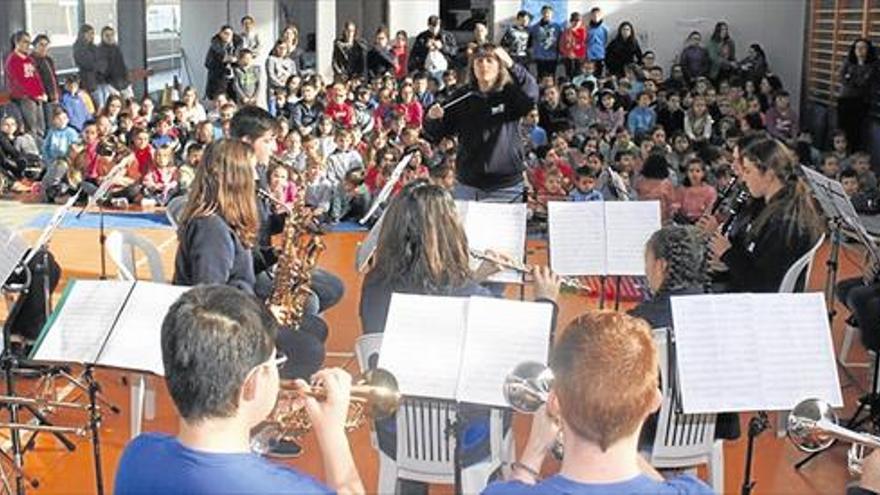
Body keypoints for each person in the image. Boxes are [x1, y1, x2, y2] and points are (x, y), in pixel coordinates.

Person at [113, 284, 364, 494]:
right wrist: (333, 434)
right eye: (275, 362)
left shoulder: (137, 453)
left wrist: (255, 418)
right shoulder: (291, 490)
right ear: (252, 383)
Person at [481, 311, 714, 495]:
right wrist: (616, 425)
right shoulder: (693, 491)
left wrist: (534, 451)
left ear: (554, 403)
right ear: (654, 402)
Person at [424, 44, 538, 202]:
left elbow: (531, 93)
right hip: (469, 186)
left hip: (506, 186)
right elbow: (437, 133)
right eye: (479, 61)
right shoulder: (462, 96)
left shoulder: (510, 94)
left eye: (490, 60)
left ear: (500, 66)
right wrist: (431, 119)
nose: (484, 65)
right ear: (473, 67)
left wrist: (512, 65)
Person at [708, 138, 822, 293]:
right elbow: (755, 260)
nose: (744, 177)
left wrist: (727, 254)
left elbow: (763, 285)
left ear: (769, 174)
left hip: (762, 303)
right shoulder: (775, 207)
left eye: (748, 170)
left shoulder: (783, 222)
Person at [5, 31, 47, 138]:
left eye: (29, 43)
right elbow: (18, 83)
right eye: (25, 42)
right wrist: (34, 95)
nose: (28, 45)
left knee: (41, 127)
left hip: (37, 98)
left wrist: (42, 92)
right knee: (32, 128)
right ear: (17, 42)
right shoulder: (12, 60)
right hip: (25, 99)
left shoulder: (29, 59)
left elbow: (36, 78)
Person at [838, 38, 876, 153]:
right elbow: (842, 77)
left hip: (861, 102)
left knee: (857, 133)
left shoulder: (872, 65)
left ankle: (854, 154)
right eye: (857, 47)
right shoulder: (848, 62)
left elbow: (863, 83)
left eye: (863, 47)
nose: (859, 50)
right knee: (842, 130)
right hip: (845, 101)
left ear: (868, 50)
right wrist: (851, 79)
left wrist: (851, 78)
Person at [95, 26, 131, 109]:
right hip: (110, 84)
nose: (110, 37)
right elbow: (101, 70)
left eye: (111, 35)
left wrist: (127, 81)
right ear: (102, 37)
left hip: (123, 83)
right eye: (107, 35)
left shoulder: (116, 48)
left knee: (129, 105)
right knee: (116, 107)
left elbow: (122, 66)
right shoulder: (99, 50)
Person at [204, 25, 240, 100]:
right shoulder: (215, 47)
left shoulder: (237, 46)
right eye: (225, 33)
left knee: (234, 102)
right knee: (219, 101)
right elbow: (207, 63)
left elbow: (242, 61)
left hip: (234, 79)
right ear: (221, 34)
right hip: (219, 80)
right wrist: (222, 60)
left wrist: (235, 61)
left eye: (230, 34)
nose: (228, 36)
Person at [530, 5, 562, 79]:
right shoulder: (535, 27)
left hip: (552, 57)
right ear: (541, 13)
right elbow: (530, 41)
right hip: (540, 57)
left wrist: (560, 54)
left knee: (551, 77)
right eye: (544, 12)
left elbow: (561, 41)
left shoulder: (557, 27)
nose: (546, 14)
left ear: (552, 14)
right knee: (541, 76)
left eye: (549, 13)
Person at [73, 24, 99, 102]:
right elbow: (88, 63)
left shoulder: (93, 47)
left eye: (93, 33)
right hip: (88, 81)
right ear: (83, 34)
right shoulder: (78, 47)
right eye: (89, 33)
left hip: (98, 80)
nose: (92, 36)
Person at [559, 13, 587, 79]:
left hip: (580, 58)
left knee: (579, 76)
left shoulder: (584, 31)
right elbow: (561, 45)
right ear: (571, 21)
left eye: (578, 21)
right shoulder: (566, 32)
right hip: (568, 58)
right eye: (574, 20)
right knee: (569, 76)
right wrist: (568, 53)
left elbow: (586, 44)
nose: (576, 23)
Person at [586, 7, 609, 77]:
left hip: (600, 55)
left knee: (599, 75)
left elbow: (606, 41)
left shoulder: (604, 28)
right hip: (590, 56)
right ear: (591, 16)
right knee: (590, 75)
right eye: (594, 15)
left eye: (598, 15)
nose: (596, 17)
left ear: (601, 16)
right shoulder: (587, 28)